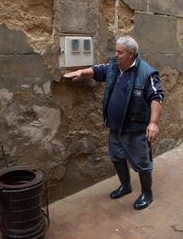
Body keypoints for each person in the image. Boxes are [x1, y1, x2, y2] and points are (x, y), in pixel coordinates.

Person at [64, 36, 164, 210]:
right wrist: (81, 72)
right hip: (115, 128)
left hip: (135, 129)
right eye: (116, 51)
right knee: (117, 157)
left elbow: (157, 97)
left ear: (131, 54)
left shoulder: (146, 73)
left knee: (142, 163)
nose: (115, 55)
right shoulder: (114, 67)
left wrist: (153, 123)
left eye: (120, 52)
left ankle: (147, 194)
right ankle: (125, 186)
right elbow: (98, 70)